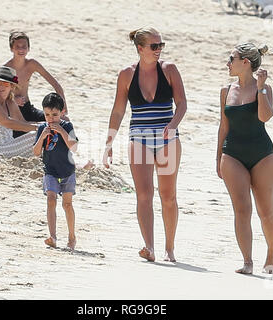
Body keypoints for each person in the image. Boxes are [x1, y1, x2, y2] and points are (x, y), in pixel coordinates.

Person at [102, 27, 187, 262]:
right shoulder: (127, 74)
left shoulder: (169, 70)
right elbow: (118, 110)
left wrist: (172, 125)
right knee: (144, 194)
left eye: (161, 45)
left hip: (167, 139)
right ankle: (149, 247)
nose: (159, 50)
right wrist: (108, 144)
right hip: (138, 138)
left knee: (168, 195)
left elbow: (181, 104)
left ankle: (170, 248)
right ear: (140, 48)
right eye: (154, 46)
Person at [216, 43, 273, 275]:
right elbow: (223, 126)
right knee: (242, 210)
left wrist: (261, 88)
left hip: (263, 155)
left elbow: (264, 117)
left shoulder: (264, 88)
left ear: (245, 63)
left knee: (266, 212)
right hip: (232, 154)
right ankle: (248, 262)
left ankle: (271, 252)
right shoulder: (226, 91)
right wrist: (218, 156)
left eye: (231, 58)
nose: (227, 62)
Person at [0, 31, 67, 138]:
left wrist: (64, 109)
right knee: (35, 133)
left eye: (24, 46)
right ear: (11, 48)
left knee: (63, 122)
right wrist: (10, 101)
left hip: (28, 108)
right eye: (17, 46)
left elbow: (56, 85)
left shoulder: (32, 64)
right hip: (12, 113)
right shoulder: (6, 69)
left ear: (28, 48)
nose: (21, 49)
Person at [33, 93, 78, 250]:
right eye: (47, 115)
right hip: (50, 170)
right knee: (51, 199)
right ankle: (52, 236)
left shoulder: (67, 126)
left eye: (55, 115)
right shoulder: (42, 128)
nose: (51, 119)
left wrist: (61, 132)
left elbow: (74, 146)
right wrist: (42, 136)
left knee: (67, 204)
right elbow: (36, 152)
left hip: (67, 170)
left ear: (62, 112)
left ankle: (72, 236)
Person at [0, 66, 39, 162]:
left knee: (47, 133)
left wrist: (44, 125)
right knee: (41, 134)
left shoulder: (10, 102)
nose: (1, 87)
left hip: (9, 146)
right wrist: (38, 128)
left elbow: (22, 122)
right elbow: (7, 122)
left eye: (5, 84)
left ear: (12, 86)